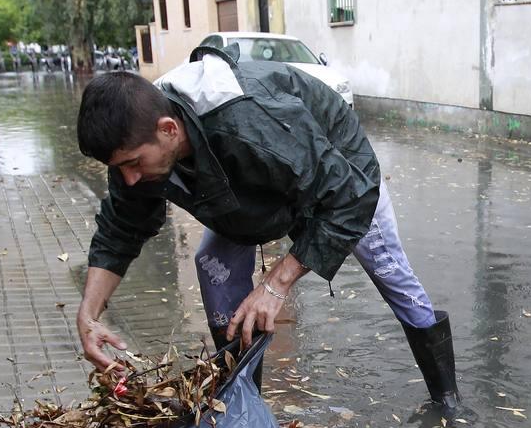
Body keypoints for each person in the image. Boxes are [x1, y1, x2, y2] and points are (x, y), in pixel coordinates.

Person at [74, 45, 459, 409]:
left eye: (135, 164)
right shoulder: (137, 140)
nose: (128, 178)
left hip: (341, 181)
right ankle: (244, 414)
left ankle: (447, 401)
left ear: (169, 129)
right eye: (120, 167)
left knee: (393, 278)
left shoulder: (248, 121)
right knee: (213, 265)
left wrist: (275, 285)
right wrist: (89, 314)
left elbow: (349, 198)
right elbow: (120, 228)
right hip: (243, 196)